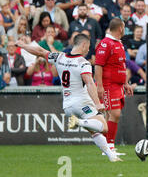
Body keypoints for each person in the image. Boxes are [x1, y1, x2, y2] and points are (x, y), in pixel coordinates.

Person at [16, 34, 123, 162]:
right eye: (88, 47)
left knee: (94, 131)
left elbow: (39, 51)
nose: (88, 50)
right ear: (83, 45)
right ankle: (79, 122)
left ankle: (112, 157)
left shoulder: (59, 57)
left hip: (67, 106)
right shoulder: (83, 63)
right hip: (82, 102)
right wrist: (98, 103)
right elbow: (89, 82)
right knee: (103, 127)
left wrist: (23, 45)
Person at [95, 18, 134, 155]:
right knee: (114, 114)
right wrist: (99, 86)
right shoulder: (106, 44)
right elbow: (98, 65)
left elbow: (121, 65)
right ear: (120, 28)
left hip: (117, 85)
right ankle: (109, 147)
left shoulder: (119, 44)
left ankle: (106, 147)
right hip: (108, 85)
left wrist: (125, 83)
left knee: (112, 116)